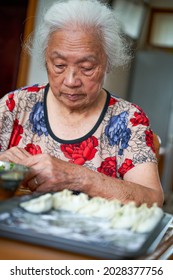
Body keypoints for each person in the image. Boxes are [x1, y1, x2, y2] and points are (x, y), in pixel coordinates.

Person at [0, 0, 164, 207]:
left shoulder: (128, 120)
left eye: (86, 67)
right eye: (59, 65)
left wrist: (77, 177)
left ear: (108, 63)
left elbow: (153, 200)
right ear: (46, 60)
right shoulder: (16, 105)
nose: (70, 81)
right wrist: (2, 165)